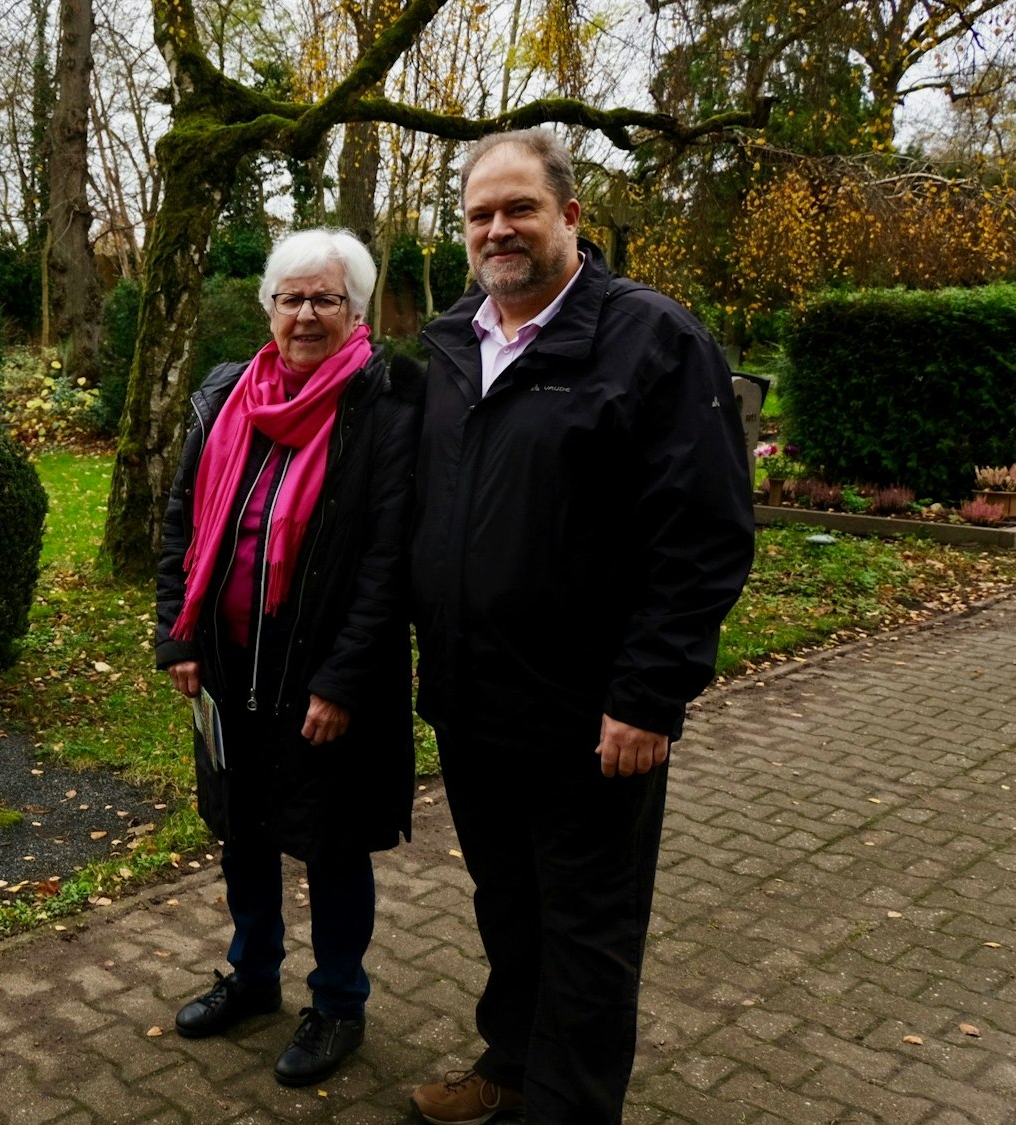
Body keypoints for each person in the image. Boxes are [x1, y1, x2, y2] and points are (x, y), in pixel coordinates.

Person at [406, 129, 754, 1124]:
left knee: (587, 931)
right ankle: (511, 1065)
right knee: (507, 906)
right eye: (479, 214)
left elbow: (704, 535)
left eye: (519, 208)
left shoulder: (651, 340)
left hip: (590, 715)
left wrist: (647, 694)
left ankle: (569, 1107)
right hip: (472, 702)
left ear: (568, 215)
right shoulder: (453, 343)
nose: (497, 229)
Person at [155, 227, 420, 1087]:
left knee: (332, 843)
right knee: (244, 830)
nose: (306, 314)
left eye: (325, 299)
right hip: (230, 664)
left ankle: (338, 1001)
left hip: (325, 674)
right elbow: (183, 521)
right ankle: (254, 974)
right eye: (291, 298)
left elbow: (387, 562)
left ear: (356, 310)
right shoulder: (228, 396)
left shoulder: (384, 407)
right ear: (268, 306)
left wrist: (343, 680)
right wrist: (179, 633)